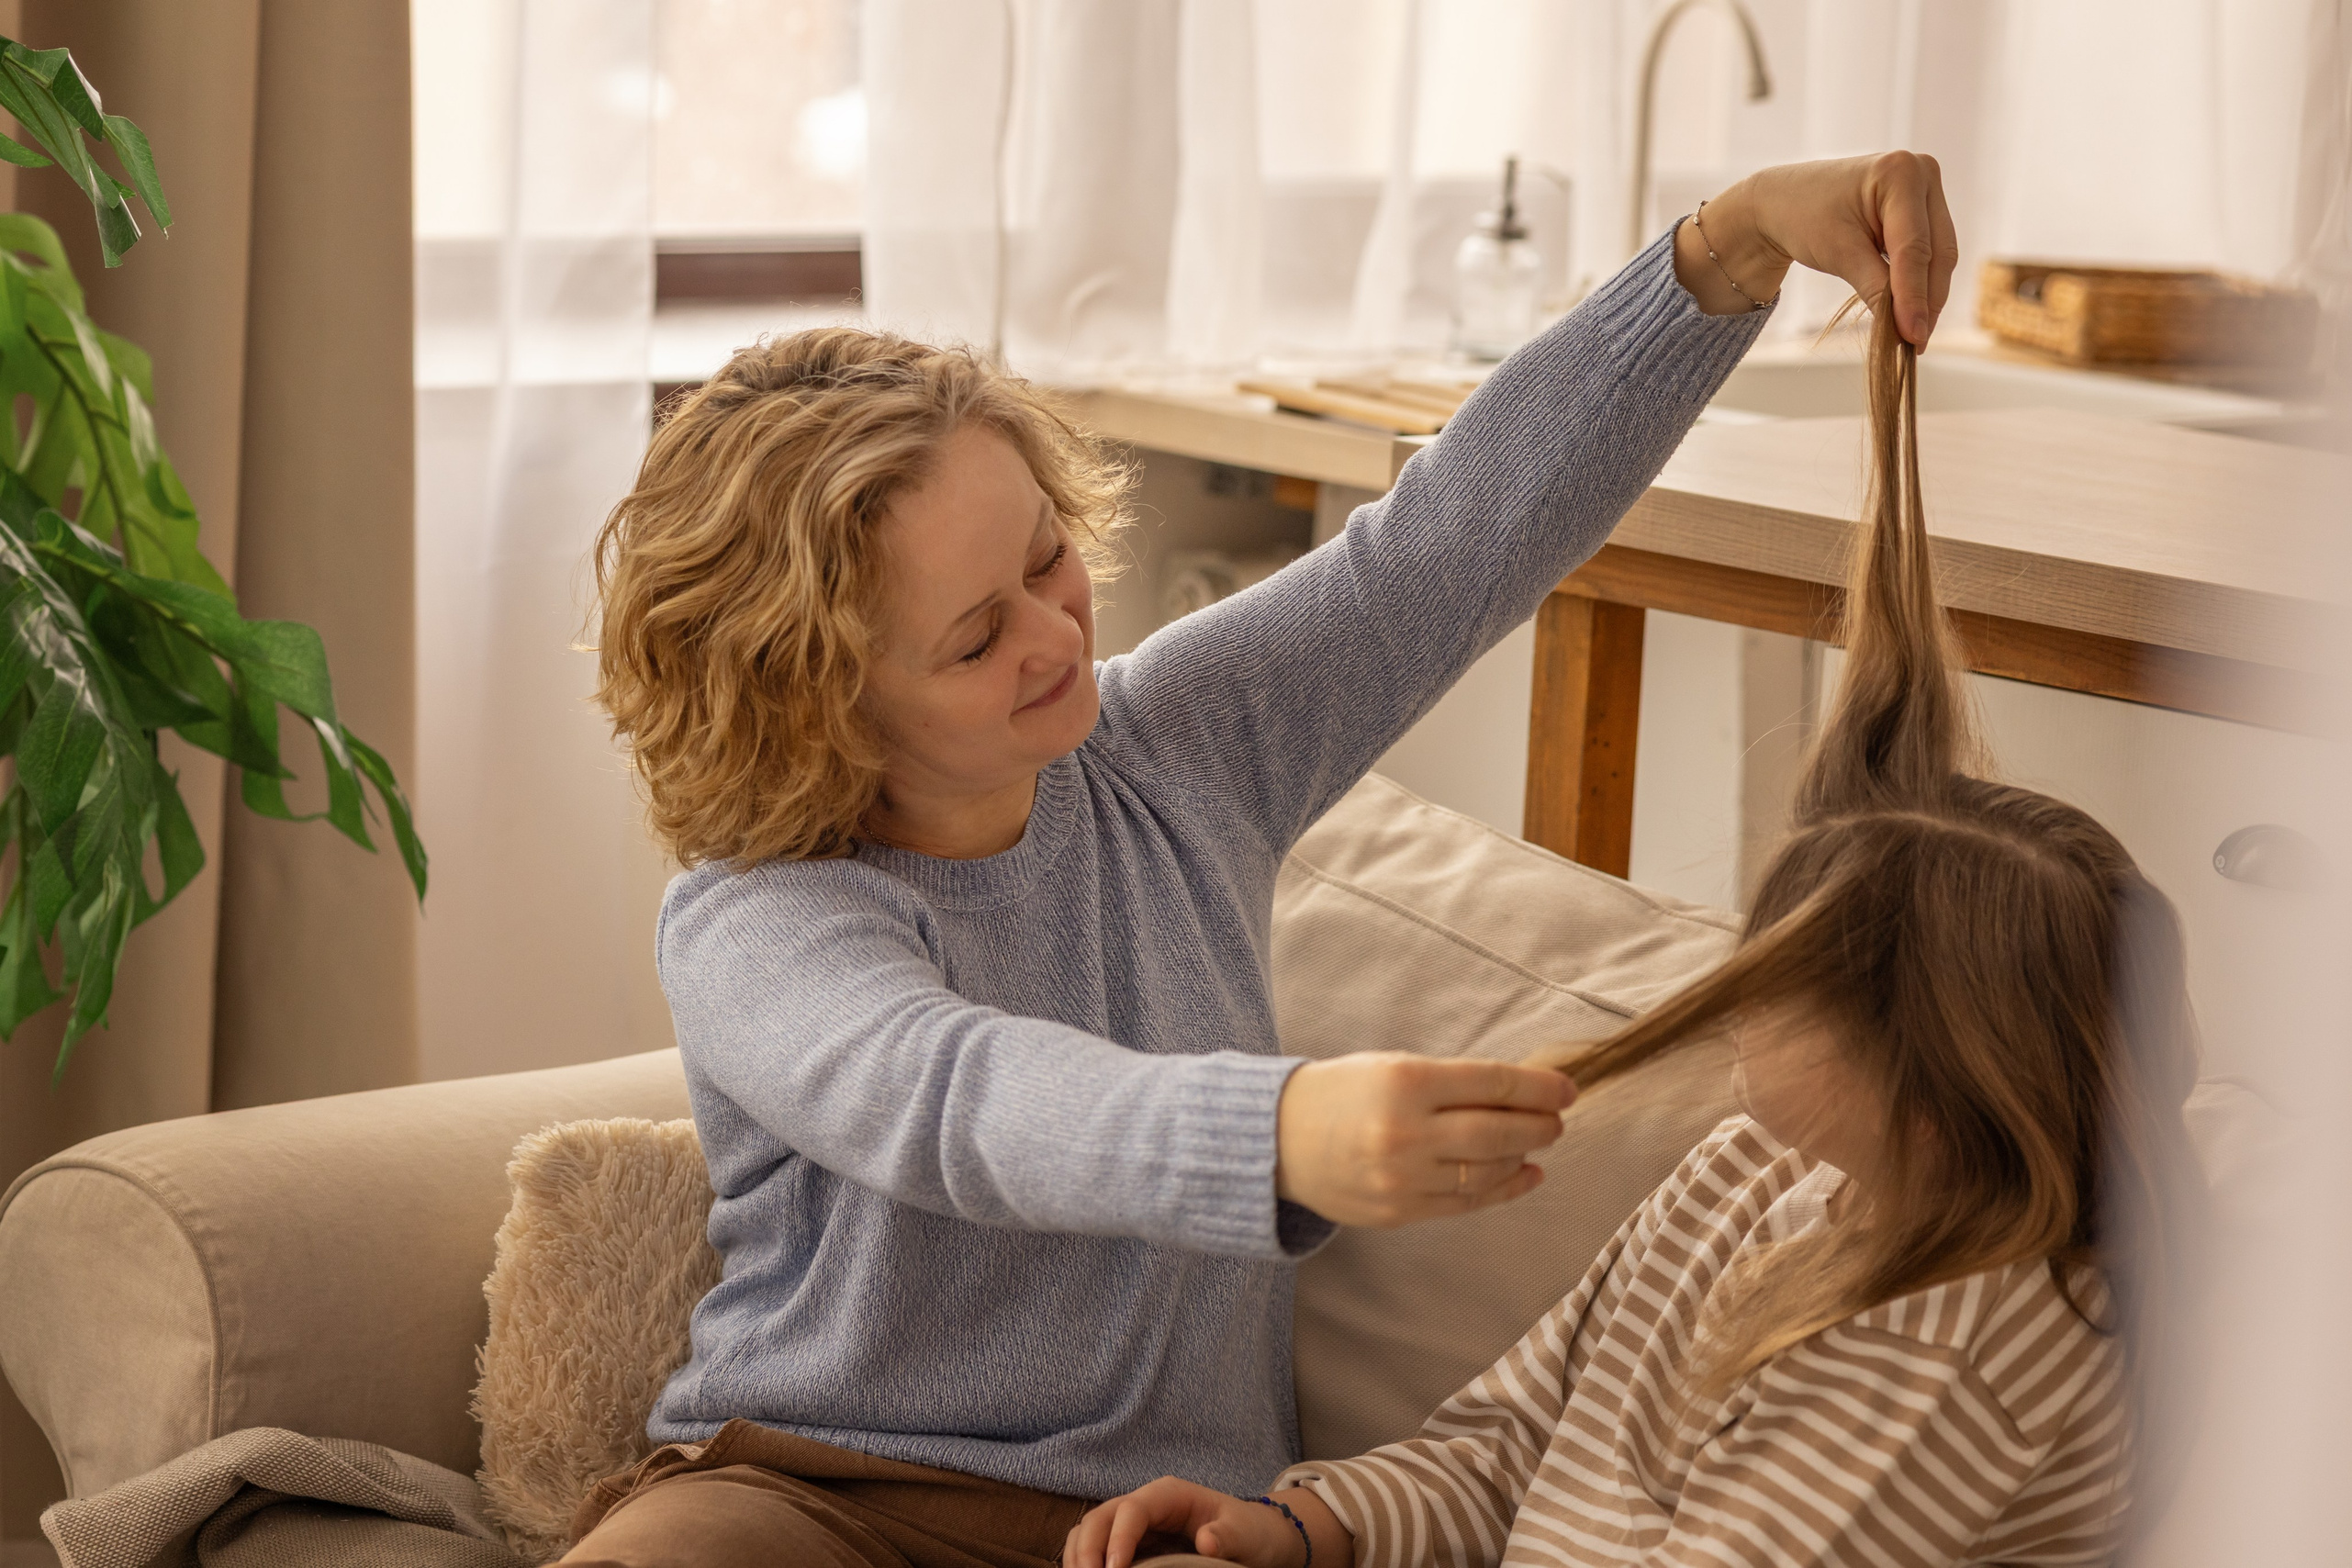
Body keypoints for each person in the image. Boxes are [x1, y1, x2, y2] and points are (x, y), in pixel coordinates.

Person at [563, 156, 1961, 1568]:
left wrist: (1725, 251)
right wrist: (1281, 1136)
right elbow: (954, 1098)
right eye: (976, 638)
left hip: (1152, 1527)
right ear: (814, 704)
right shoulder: (756, 922)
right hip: (811, 1499)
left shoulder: (1180, 744)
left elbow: (1449, 544)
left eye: (1048, 560)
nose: (1057, 637)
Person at [1062, 304, 2204, 1568]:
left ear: (1930, 1087)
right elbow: (1507, 1442)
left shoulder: (1977, 1337)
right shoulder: (1745, 1172)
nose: (1736, 997)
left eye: (1783, 987)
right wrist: (1296, 1528)